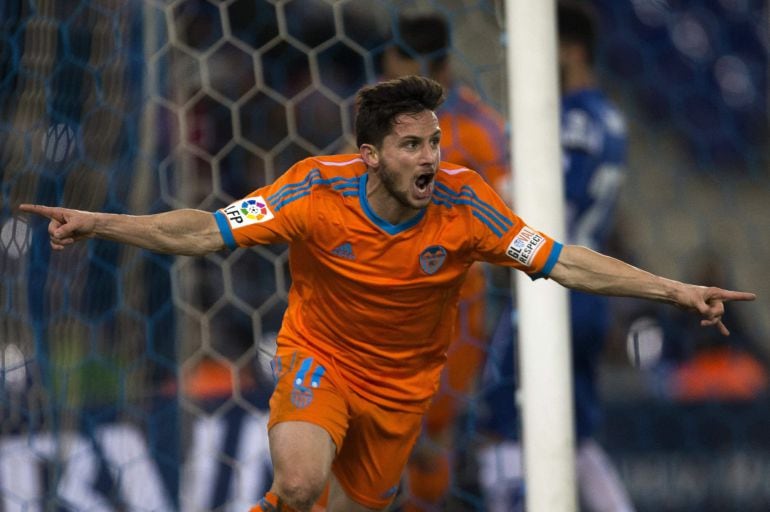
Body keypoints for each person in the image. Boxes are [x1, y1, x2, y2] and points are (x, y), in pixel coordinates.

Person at [19, 75, 754, 512]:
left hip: (405, 390)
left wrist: (674, 290)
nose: (431, 157)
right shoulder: (314, 190)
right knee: (301, 483)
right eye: (413, 146)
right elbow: (203, 231)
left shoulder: (467, 207)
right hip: (320, 359)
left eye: (434, 142)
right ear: (369, 156)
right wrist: (103, 222)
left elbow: (564, 262)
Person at [476, 2, 638, 511]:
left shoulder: (568, 120)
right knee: (576, 433)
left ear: (568, 49)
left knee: (501, 419)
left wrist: (495, 187)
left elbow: (545, 201)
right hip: (590, 296)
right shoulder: (611, 119)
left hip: (551, 288)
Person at [379, 9, 508, 511]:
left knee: (428, 436)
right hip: (374, 295)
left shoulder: (479, 131)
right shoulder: (373, 119)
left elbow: (508, 214)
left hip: (451, 307)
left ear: (442, 74)